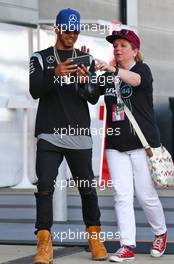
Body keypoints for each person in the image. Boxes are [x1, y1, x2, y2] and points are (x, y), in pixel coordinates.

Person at [29, 8, 108, 264]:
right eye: (67, 30)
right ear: (57, 29)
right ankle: (44, 243)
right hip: (50, 134)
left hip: (78, 133)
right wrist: (55, 74)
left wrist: (86, 81)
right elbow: (35, 91)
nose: (72, 35)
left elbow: (93, 97)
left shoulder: (85, 58)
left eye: (75, 30)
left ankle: (94, 238)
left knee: (87, 189)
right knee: (44, 187)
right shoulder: (40, 58)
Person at [95, 29, 167, 262]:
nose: (117, 48)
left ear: (135, 51)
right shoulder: (107, 74)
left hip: (141, 143)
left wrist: (114, 70)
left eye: (123, 45)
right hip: (115, 144)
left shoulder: (141, 70)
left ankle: (160, 232)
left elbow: (135, 81)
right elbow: (89, 95)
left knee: (145, 195)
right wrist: (85, 75)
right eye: (115, 45)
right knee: (121, 195)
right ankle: (127, 245)